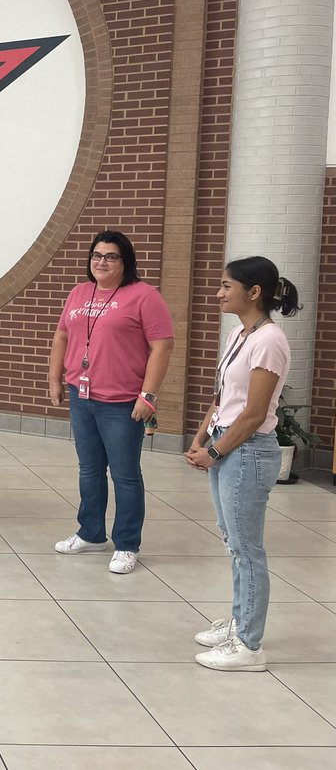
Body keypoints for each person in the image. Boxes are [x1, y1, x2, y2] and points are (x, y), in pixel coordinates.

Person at [185, 257, 299, 671]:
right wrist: (202, 438)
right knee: (234, 544)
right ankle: (238, 620)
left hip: (247, 451)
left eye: (226, 286)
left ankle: (249, 645)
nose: (219, 292)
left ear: (254, 292)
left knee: (247, 550)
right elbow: (224, 397)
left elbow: (253, 413)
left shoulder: (269, 340)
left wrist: (215, 452)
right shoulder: (240, 333)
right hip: (225, 443)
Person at [47, 230, 174, 574]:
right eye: (96, 256)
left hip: (122, 401)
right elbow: (62, 335)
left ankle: (127, 544)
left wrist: (148, 395)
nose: (101, 262)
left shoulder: (144, 296)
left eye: (111, 256)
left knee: (125, 475)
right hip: (81, 394)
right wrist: (55, 378)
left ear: (126, 261)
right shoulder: (79, 292)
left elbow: (162, 346)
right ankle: (91, 533)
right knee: (89, 469)